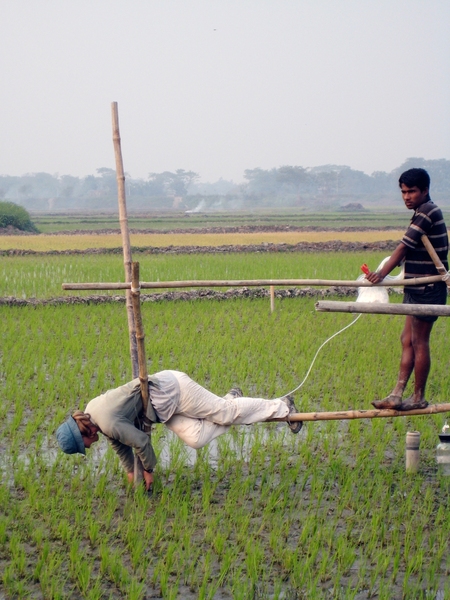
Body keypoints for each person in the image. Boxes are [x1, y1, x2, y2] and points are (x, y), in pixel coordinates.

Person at [56, 370, 302, 490]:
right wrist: (133, 473)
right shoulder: (94, 414)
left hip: (173, 390)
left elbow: (140, 441)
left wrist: (149, 471)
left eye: (83, 446)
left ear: (83, 433)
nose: (88, 447)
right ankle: (230, 398)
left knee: (226, 413)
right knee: (196, 439)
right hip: (162, 410)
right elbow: (120, 445)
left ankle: (283, 406)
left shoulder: (106, 421)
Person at [366, 168, 448, 411]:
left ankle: (418, 396)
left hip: (428, 288)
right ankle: (397, 393)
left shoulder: (427, 212)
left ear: (425, 190)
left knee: (420, 341)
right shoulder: (419, 213)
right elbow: (410, 250)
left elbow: (402, 248)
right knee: (407, 339)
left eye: (411, 191)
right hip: (415, 287)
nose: (406, 196)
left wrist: (380, 274)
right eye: (403, 192)